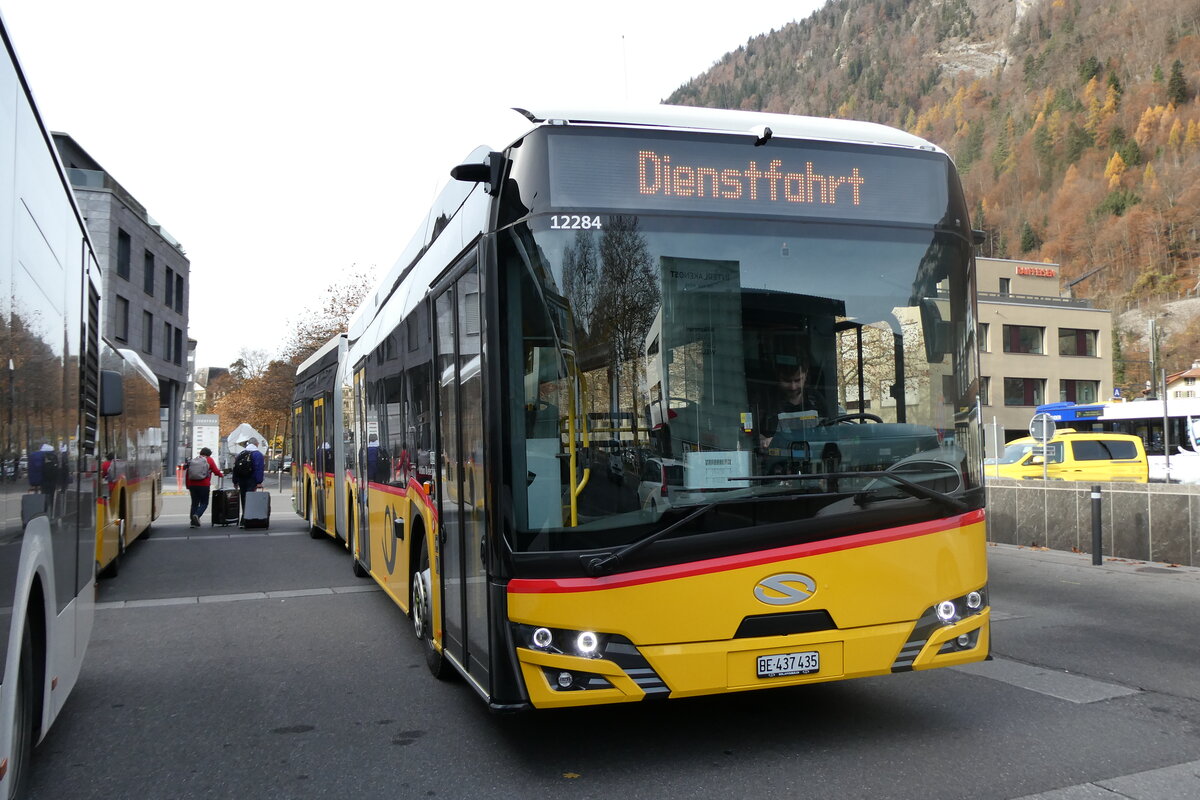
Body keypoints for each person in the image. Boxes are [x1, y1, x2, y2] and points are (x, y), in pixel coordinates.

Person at [758, 351, 831, 449]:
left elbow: (829, 431)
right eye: (787, 381)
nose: (793, 387)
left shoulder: (816, 399)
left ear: (805, 375)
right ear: (777, 376)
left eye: (797, 380)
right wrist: (763, 440)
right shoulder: (766, 401)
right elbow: (752, 433)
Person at [185, 447, 224, 527]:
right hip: (204, 485)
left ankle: (193, 522)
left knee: (194, 503)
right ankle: (197, 515)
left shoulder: (194, 460)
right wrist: (221, 474)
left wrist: (188, 485)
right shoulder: (209, 460)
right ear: (209, 454)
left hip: (193, 485)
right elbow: (216, 471)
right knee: (204, 503)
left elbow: (188, 473)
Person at [232, 437, 265, 518]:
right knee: (250, 498)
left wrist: (235, 481)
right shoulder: (258, 454)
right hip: (251, 480)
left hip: (241, 479)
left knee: (243, 498)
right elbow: (259, 469)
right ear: (256, 444)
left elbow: (235, 468)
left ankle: (244, 516)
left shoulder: (241, 453)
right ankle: (249, 518)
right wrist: (259, 482)